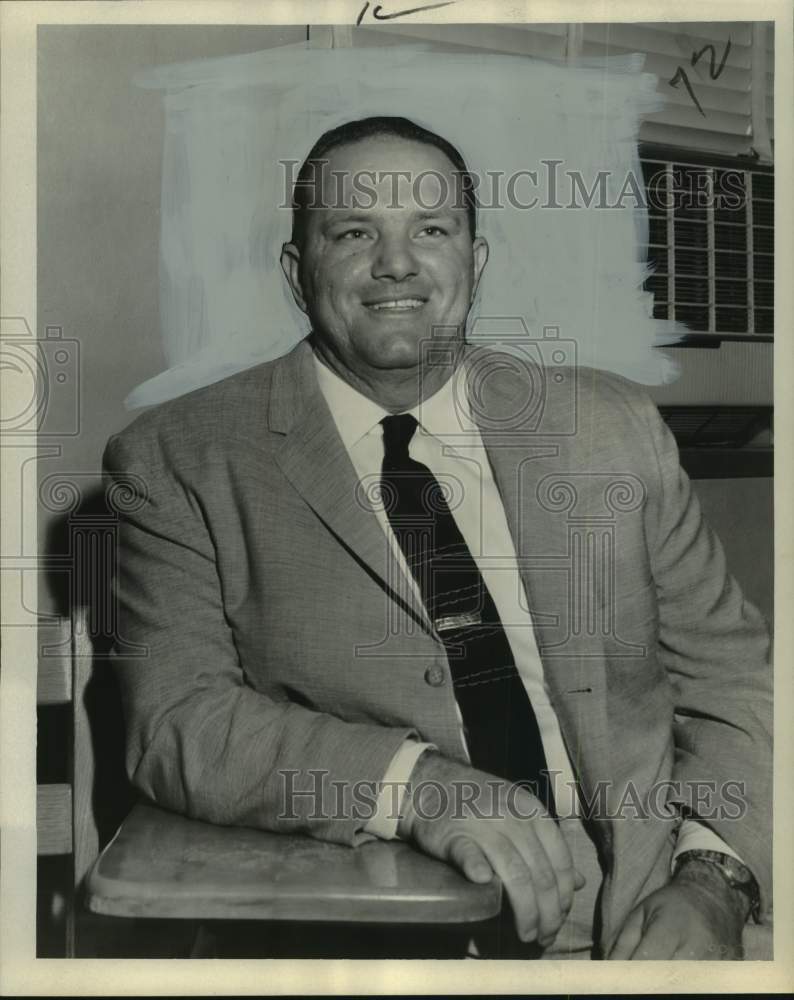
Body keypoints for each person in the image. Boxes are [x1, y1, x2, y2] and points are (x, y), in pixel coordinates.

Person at [103, 116, 772, 960]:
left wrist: (712, 880)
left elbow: (737, 678)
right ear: (295, 271)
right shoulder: (177, 457)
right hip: (377, 917)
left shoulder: (612, 426)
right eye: (353, 232)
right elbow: (176, 721)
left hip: (645, 901)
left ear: (474, 261)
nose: (396, 263)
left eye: (431, 229)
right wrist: (414, 786)